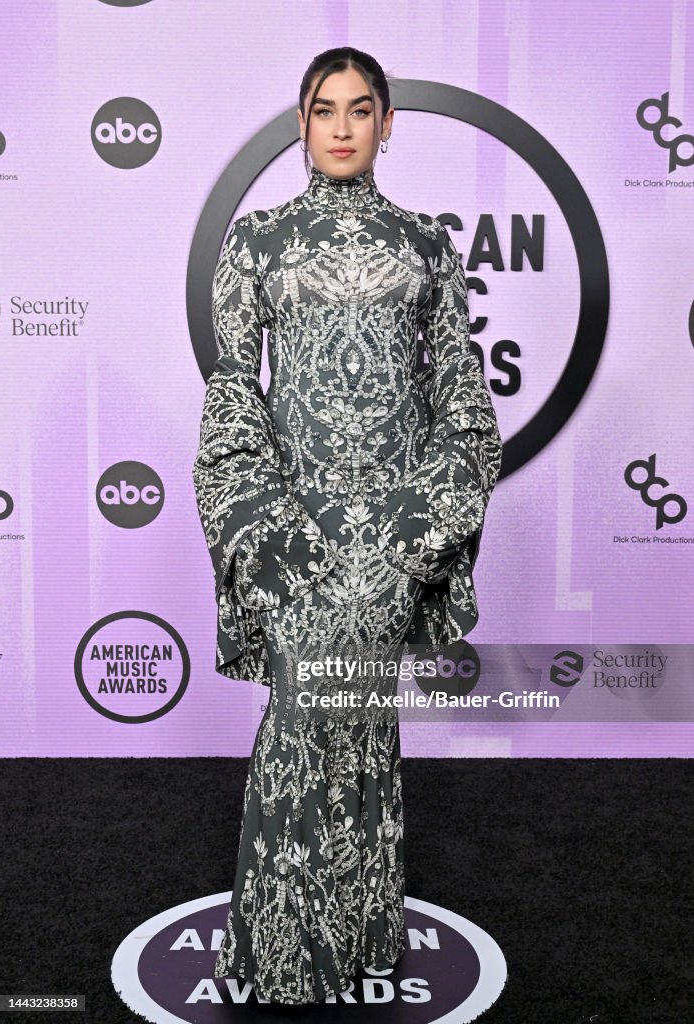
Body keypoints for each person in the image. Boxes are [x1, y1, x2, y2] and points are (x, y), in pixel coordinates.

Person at [192, 46, 503, 1005]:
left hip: (393, 536)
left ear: (385, 125)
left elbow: (464, 410)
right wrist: (264, 526)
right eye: (322, 109)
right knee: (301, 723)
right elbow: (235, 395)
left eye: (359, 110)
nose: (339, 126)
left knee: (363, 728)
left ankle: (367, 932)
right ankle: (283, 958)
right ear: (299, 121)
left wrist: (415, 532)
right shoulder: (256, 242)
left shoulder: (424, 247)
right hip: (294, 535)